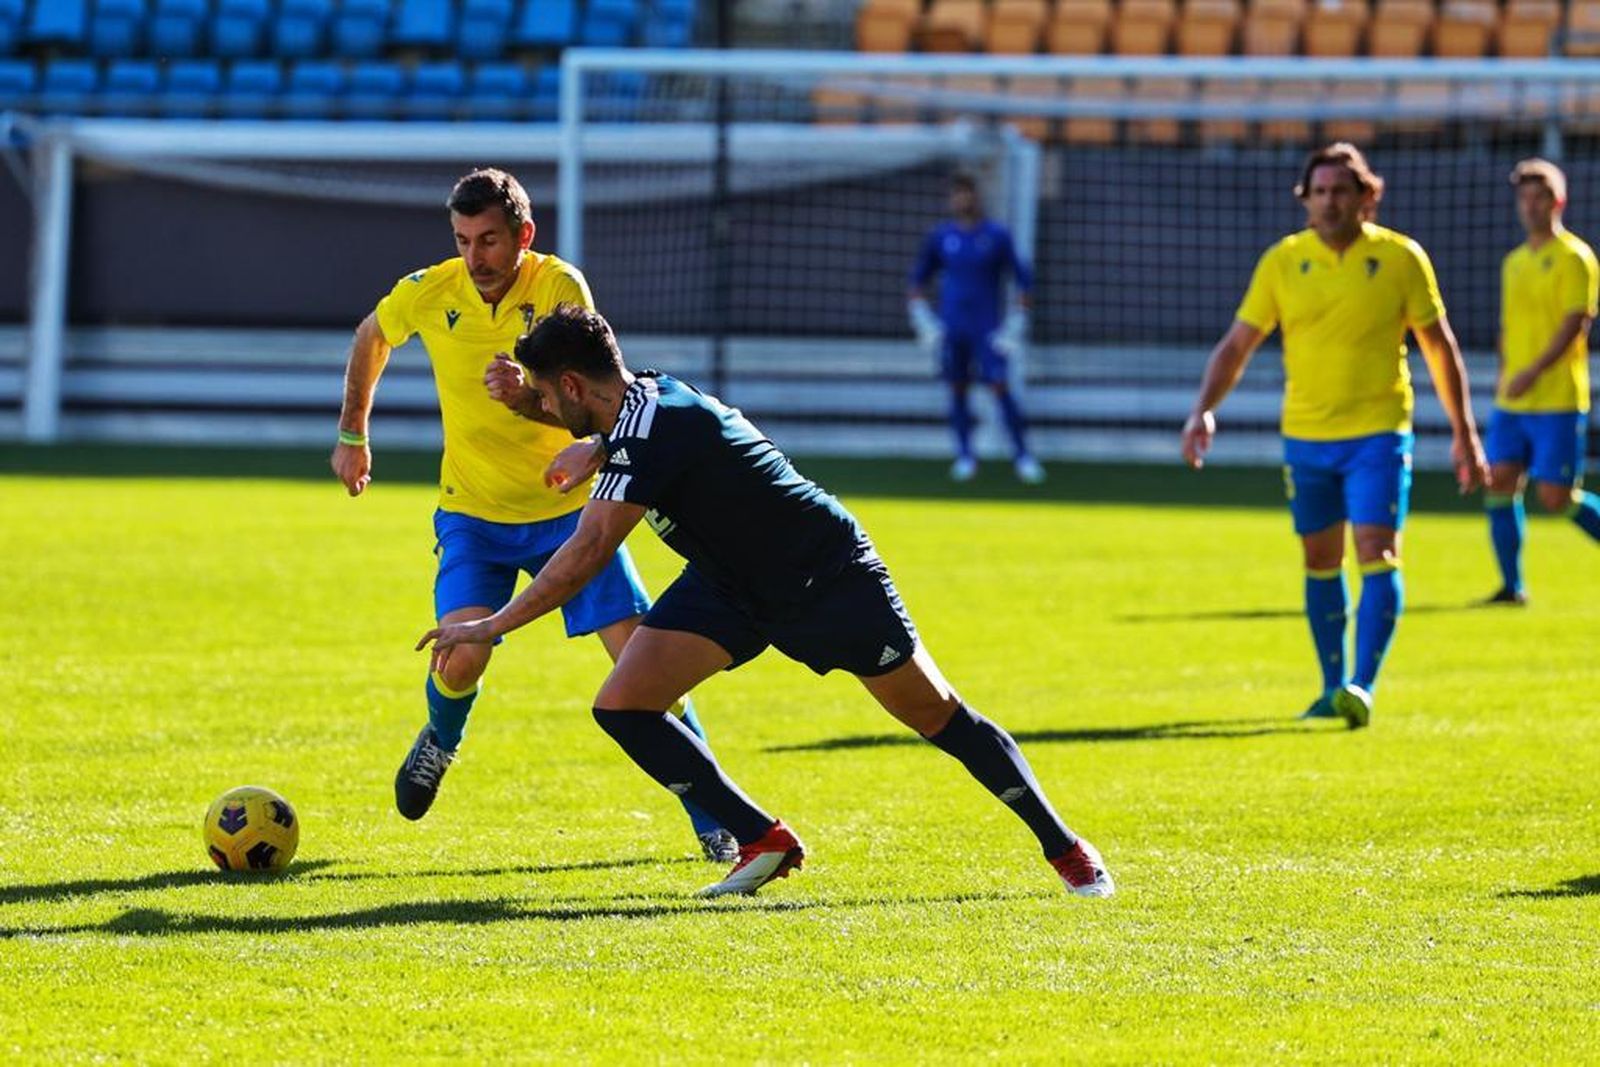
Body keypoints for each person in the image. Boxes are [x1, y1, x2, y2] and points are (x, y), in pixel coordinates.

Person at [417, 305, 1113, 899]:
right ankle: (763, 837)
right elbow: (636, 438)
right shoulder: (642, 400)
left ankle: (1067, 849)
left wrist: (496, 623)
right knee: (623, 705)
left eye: (545, 395)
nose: (543, 407)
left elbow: (588, 551)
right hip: (730, 583)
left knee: (937, 715)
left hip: (827, 576)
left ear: (572, 383)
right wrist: (594, 448)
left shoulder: (651, 423)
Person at [331, 168, 735, 860]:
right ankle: (442, 737)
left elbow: (603, 391)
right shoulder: (431, 291)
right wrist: (352, 432)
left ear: (524, 234)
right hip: (474, 515)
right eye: (463, 240)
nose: (476, 257)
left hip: (572, 515)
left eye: (489, 240)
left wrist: (535, 401)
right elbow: (372, 334)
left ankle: (716, 814)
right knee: (458, 657)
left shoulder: (557, 290)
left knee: (646, 668)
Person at [1180, 143, 1488, 729]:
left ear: (1366, 196)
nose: (1328, 202)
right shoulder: (1283, 262)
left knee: (1377, 553)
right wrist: (1203, 410)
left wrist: (1464, 431)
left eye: (1340, 191)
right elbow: (1237, 344)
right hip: (1306, 436)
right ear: (1305, 200)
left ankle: (1362, 685)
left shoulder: (1401, 259)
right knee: (1320, 561)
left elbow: (1439, 347)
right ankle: (1329, 688)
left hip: (1378, 433)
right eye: (1318, 192)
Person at [1482, 158, 1600, 605]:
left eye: (1540, 196)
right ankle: (1512, 587)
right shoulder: (1513, 262)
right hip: (1512, 402)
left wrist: (1532, 371)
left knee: (1555, 496)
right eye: (1525, 197)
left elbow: (1576, 323)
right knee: (1499, 483)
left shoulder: (1575, 257)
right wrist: (1505, 374)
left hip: (1556, 398)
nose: (1531, 206)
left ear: (1559, 201)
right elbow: (1509, 328)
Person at [908, 173, 1045, 484]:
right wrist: (921, 317)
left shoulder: (996, 235)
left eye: (967, 194)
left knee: (1000, 387)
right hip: (953, 328)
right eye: (957, 195)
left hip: (988, 329)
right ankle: (965, 456)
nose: (962, 200)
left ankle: (1023, 456)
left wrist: (1018, 319)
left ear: (977, 197)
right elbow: (917, 281)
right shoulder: (941, 237)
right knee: (957, 389)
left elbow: (1023, 278)